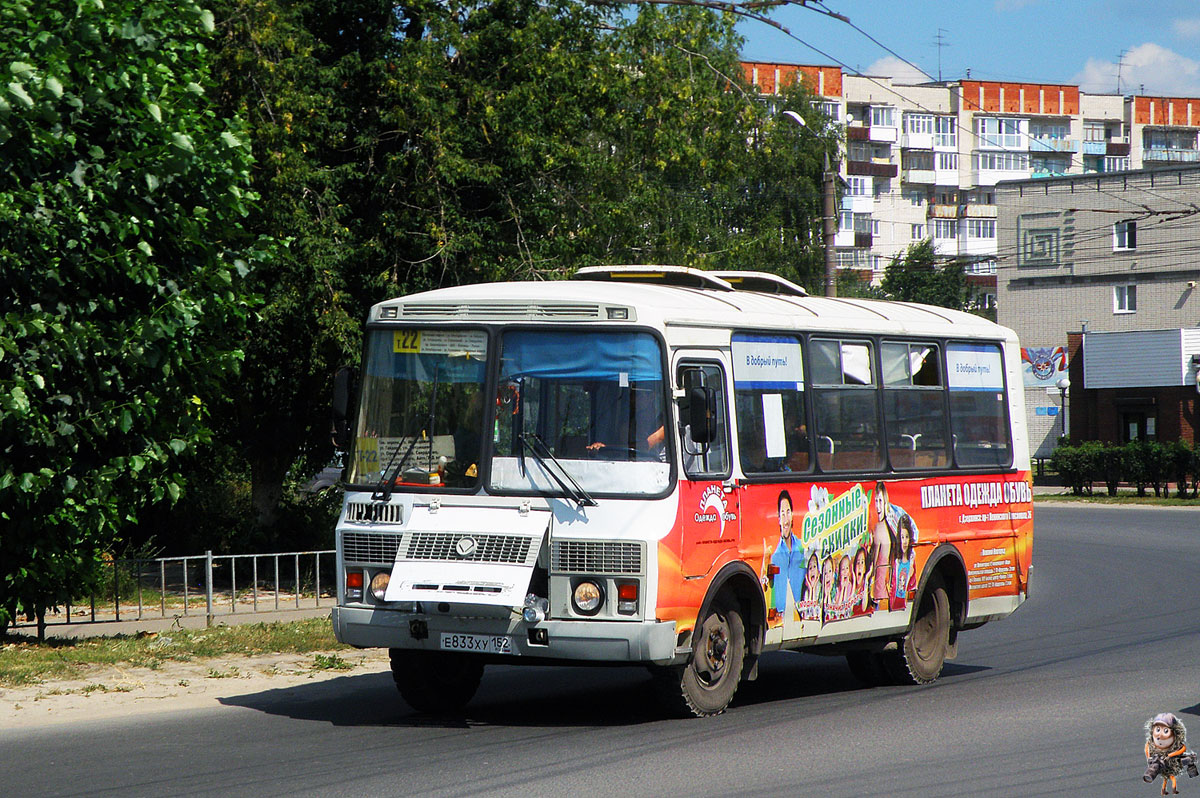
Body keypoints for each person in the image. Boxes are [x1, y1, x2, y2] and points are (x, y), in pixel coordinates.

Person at [769, 490, 806, 617]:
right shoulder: (775, 556)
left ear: (793, 515)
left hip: (803, 616)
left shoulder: (802, 548)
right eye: (782, 513)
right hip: (783, 619)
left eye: (788, 512)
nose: (786, 519)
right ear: (778, 519)